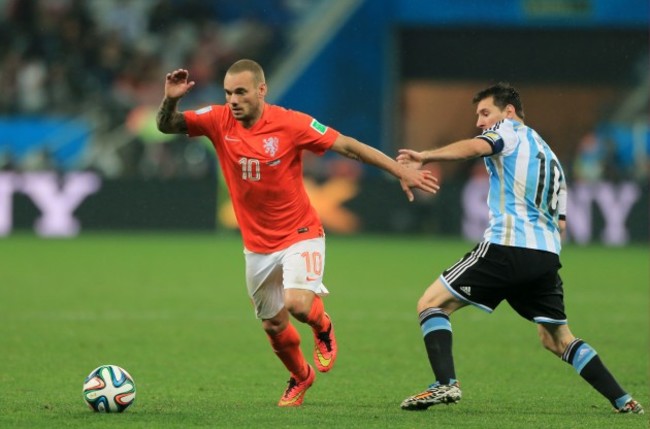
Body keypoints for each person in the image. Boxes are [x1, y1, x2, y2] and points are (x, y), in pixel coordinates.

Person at [156, 59, 439, 407]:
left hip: (300, 232)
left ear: (262, 90)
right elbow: (167, 125)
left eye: (241, 92)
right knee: (273, 326)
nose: (233, 100)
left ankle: (323, 326)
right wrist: (170, 99)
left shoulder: (291, 123)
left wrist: (398, 170)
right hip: (257, 246)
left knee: (298, 304)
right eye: (228, 92)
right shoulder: (218, 120)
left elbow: (348, 146)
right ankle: (300, 376)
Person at [396, 82, 644, 414]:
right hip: (545, 257)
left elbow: (475, 147)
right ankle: (623, 399)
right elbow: (562, 222)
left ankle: (445, 384)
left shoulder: (509, 132)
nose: (480, 122)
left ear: (508, 112)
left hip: (506, 247)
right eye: (478, 115)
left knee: (431, 303)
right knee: (556, 338)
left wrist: (425, 155)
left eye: (485, 113)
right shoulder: (550, 156)